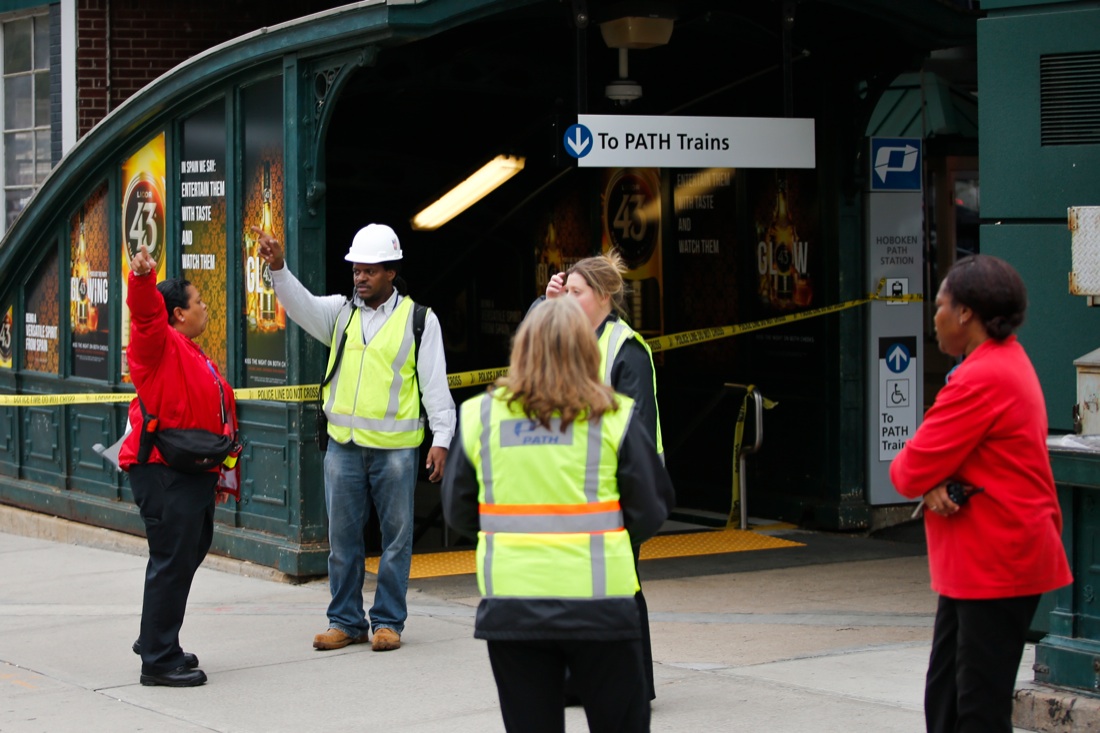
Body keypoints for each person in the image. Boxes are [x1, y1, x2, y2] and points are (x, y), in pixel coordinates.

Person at [442, 296, 674, 733]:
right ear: (587, 349)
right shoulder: (615, 417)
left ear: (522, 348)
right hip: (602, 609)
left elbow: (458, 513)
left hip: (513, 608)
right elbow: (650, 510)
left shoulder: (479, 417)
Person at [889, 254, 1072, 733]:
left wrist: (927, 478)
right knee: (948, 699)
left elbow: (907, 469)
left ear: (965, 313)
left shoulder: (978, 379)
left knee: (976, 709)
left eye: (940, 305)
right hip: (983, 563)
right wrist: (932, 478)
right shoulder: (1003, 360)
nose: (935, 317)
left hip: (996, 561)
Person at [254, 223, 455, 653]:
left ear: (390, 272)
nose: (359, 278)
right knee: (343, 542)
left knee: (395, 540)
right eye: (355, 271)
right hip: (343, 448)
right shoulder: (341, 314)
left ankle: (387, 621)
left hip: (395, 451)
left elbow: (436, 386)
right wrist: (278, 268)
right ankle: (345, 620)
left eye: (368, 271)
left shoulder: (420, 321)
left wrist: (442, 438)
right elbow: (300, 305)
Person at [532, 250, 663, 701]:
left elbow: (635, 428)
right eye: (564, 290)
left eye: (575, 292)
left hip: (615, 488)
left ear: (604, 296)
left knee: (620, 587)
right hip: (574, 486)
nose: (566, 299)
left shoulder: (626, 350)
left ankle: (634, 683)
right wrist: (541, 304)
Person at [119, 244, 239, 688]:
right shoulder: (158, 341)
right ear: (176, 314)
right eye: (199, 302)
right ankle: (158, 660)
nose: (205, 307)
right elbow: (146, 313)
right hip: (163, 470)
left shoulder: (189, 350)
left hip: (192, 473)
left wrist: (220, 473)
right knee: (172, 557)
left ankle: (156, 635)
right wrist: (143, 278)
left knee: (187, 550)